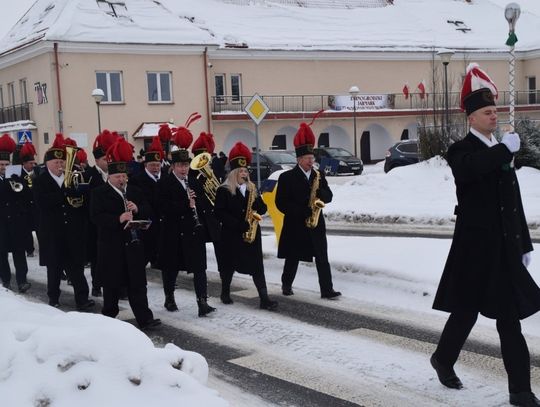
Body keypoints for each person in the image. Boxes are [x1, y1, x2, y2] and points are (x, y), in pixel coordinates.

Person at [430, 63, 540, 407]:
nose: (494, 116)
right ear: (472, 118)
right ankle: (443, 359)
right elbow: (470, 171)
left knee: (509, 319)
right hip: (474, 249)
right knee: (466, 311)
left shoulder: (500, 150)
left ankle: (519, 390)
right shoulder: (461, 150)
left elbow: (512, 201)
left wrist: (523, 242)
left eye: (495, 110)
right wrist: (504, 150)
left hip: (504, 249)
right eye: (487, 112)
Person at [90, 137, 160, 330]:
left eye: (124, 177)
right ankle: (109, 318)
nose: (122, 180)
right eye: (117, 177)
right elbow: (95, 217)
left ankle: (145, 318)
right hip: (111, 246)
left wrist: (138, 209)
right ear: (110, 178)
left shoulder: (135, 191)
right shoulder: (99, 193)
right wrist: (117, 219)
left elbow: (149, 210)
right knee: (111, 284)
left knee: (138, 284)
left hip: (134, 246)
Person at [275, 115, 341, 299]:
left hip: (316, 222)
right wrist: (300, 211)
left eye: (312, 157)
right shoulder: (286, 178)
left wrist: (321, 194)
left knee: (322, 256)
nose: (311, 161)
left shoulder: (318, 175)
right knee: (293, 256)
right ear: (298, 159)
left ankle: (327, 289)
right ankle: (286, 284)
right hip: (296, 223)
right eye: (307, 158)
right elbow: (280, 203)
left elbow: (329, 196)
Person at [33, 133, 94, 310]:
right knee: (54, 268)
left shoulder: (73, 179)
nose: (60, 166)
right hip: (52, 232)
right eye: (56, 163)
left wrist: (82, 192)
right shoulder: (40, 181)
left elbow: (82, 204)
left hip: (73, 231)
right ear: (47, 164)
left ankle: (82, 299)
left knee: (76, 267)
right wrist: (65, 193)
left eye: (62, 163)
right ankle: (53, 298)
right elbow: (42, 203)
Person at [214, 142, 278, 310]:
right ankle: (225, 292)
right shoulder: (224, 190)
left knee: (257, 266)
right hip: (232, 235)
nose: (244, 173)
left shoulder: (251, 188)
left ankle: (264, 299)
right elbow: (219, 213)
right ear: (234, 173)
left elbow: (261, 207)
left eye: (246, 171)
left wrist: (261, 206)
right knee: (229, 266)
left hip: (251, 234)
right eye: (241, 171)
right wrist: (237, 224)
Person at [157, 139, 216, 317]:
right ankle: (169, 297)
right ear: (173, 166)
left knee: (200, 268)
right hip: (173, 232)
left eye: (186, 165)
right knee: (171, 268)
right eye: (180, 166)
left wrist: (199, 205)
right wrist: (186, 203)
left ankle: (202, 301)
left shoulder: (194, 182)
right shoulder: (164, 184)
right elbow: (163, 207)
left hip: (193, 231)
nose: (184, 169)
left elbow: (202, 204)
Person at [189, 130, 227, 285]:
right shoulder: (191, 174)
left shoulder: (216, 170)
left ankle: (225, 279)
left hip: (214, 217)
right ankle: (200, 281)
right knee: (199, 253)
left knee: (222, 250)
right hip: (199, 217)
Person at [84, 130, 118, 297]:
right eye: (105, 159)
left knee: (112, 256)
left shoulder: (113, 175)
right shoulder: (88, 175)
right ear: (96, 160)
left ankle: (115, 285)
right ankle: (97, 285)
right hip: (93, 222)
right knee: (96, 256)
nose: (107, 162)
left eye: (109, 159)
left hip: (111, 221)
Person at [0, 134, 30, 292]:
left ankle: (22, 281)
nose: (4, 167)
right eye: (1, 164)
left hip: (16, 221)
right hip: (1, 222)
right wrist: (6, 183)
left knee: (19, 252)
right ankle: (5, 280)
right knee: (2, 253)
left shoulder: (16, 176)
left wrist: (17, 181)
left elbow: (24, 194)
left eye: (6, 164)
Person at [129, 136, 163, 269]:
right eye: (152, 165)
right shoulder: (137, 180)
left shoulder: (165, 177)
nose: (155, 168)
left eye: (158, 165)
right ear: (145, 165)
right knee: (145, 252)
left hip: (162, 221)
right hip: (147, 221)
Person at [19, 141, 38, 258]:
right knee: (26, 231)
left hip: (36, 206)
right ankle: (29, 249)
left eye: (34, 163)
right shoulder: (19, 173)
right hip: (25, 206)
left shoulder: (36, 173)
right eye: (30, 163)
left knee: (39, 229)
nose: (33, 165)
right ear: (24, 163)